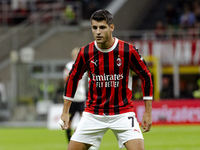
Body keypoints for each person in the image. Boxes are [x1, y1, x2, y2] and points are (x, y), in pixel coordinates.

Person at [60, 9, 153, 150]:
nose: (98, 32)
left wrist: (148, 112)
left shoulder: (128, 51)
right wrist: (65, 111)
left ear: (111, 28)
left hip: (123, 113)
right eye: (94, 27)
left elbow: (146, 75)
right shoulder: (85, 53)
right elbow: (72, 78)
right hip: (93, 114)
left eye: (102, 27)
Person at [63, 47, 87, 142]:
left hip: (81, 96)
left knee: (85, 120)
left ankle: (83, 140)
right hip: (71, 98)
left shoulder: (84, 65)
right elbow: (66, 80)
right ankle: (70, 142)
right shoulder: (69, 66)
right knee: (69, 121)